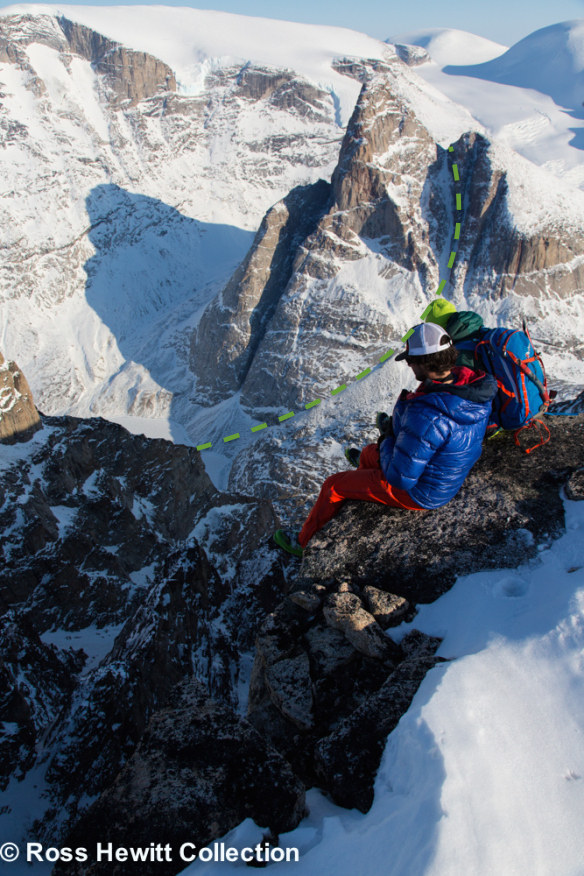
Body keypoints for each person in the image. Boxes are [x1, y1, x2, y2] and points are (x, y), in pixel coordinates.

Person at [273, 322, 497, 557]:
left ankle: (303, 544)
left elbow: (400, 478)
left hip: (423, 490)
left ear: (425, 362)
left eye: (410, 359)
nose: (408, 364)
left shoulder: (429, 414)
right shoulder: (468, 385)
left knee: (333, 485)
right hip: (444, 474)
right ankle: (361, 480)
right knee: (370, 453)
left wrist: (388, 437)